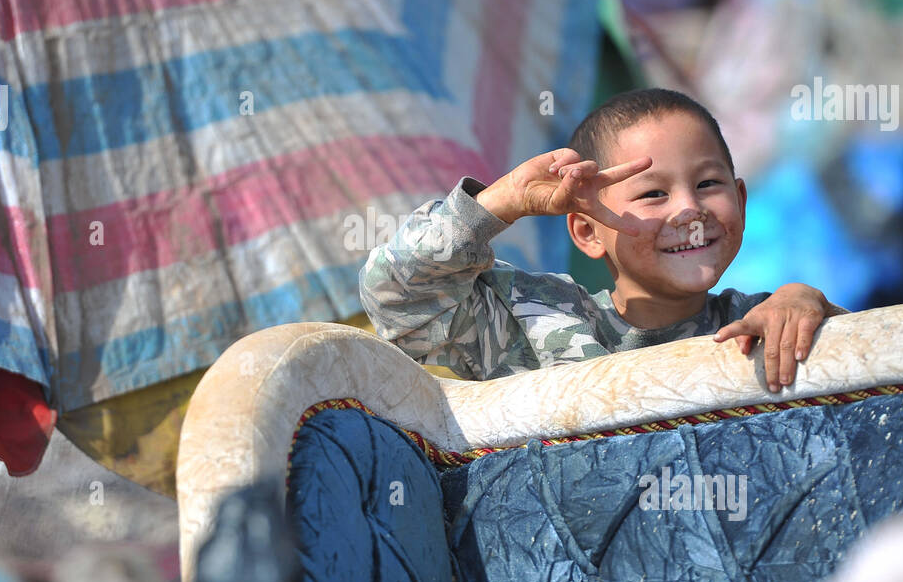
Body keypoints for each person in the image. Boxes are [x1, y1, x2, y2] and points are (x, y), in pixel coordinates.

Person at [360, 88, 846, 391]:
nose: (689, 208)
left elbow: (870, 369)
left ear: (740, 200)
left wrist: (806, 304)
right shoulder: (531, 325)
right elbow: (398, 294)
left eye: (707, 184)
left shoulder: (758, 328)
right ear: (588, 231)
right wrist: (503, 200)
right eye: (654, 192)